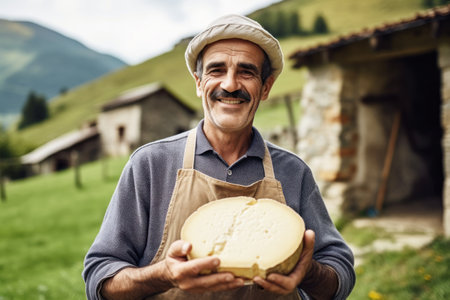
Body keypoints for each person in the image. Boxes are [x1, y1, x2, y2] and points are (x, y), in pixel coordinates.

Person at [83, 14, 355, 300]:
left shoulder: (294, 172)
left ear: (266, 87)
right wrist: (163, 275)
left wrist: (307, 271)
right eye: (216, 70)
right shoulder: (150, 164)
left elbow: (341, 276)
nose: (230, 84)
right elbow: (100, 279)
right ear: (199, 83)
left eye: (246, 72)